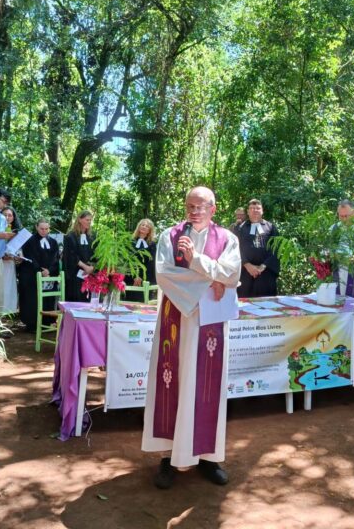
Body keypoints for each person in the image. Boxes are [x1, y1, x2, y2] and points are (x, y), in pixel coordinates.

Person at [142, 186, 241, 489]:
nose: (194, 211)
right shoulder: (169, 237)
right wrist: (210, 280)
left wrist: (198, 260)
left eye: (201, 206)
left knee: (206, 386)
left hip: (210, 322)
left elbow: (232, 275)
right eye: (190, 206)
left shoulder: (228, 239)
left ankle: (209, 457)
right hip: (177, 320)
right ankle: (168, 456)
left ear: (214, 208)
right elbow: (164, 274)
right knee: (174, 383)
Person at [18, 219, 61, 331]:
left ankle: (46, 322)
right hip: (32, 275)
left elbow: (56, 258)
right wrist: (40, 270)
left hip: (49, 275)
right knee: (32, 300)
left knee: (48, 299)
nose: (44, 231)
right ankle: (32, 325)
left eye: (46, 229)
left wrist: (49, 270)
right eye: (42, 228)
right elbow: (30, 257)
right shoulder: (29, 241)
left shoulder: (53, 242)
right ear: (36, 227)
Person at [235, 198, 280, 298]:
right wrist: (247, 265)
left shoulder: (271, 227)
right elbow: (235, 248)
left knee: (267, 304)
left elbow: (276, 249)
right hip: (245, 273)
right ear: (247, 211)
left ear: (262, 211)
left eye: (258, 208)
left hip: (266, 273)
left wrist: (262, 266)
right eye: (252, 208)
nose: (255, 210)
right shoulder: (240, 228)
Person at [63, 210, 95, 302]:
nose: (89, 222)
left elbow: (95, 254)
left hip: (89, 274)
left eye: (90, 220)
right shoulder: (70, 236)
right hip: (75, 275)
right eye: (87, 220)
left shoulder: (92, 237)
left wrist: (92, 267)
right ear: (80, 220)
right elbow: (70, 255)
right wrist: (84, 267)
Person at [124, 218, 157, 301]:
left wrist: (141, 277)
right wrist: (135, 276)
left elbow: (151, 264)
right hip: (130, 278)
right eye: (142, 225)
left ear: (149, 230)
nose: (144, 227)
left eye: (147, 226)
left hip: (145, 280)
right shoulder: (130, 241)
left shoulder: (152, 244)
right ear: (139, 227)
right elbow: (127, 260)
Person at [1, 206, 22, 315]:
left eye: (10, 215)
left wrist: (18, 257)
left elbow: (19, 250)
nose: (7, 217)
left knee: (8, 292)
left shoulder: (17, 232)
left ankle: (4, 320)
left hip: (10, 265)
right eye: (5, 215)